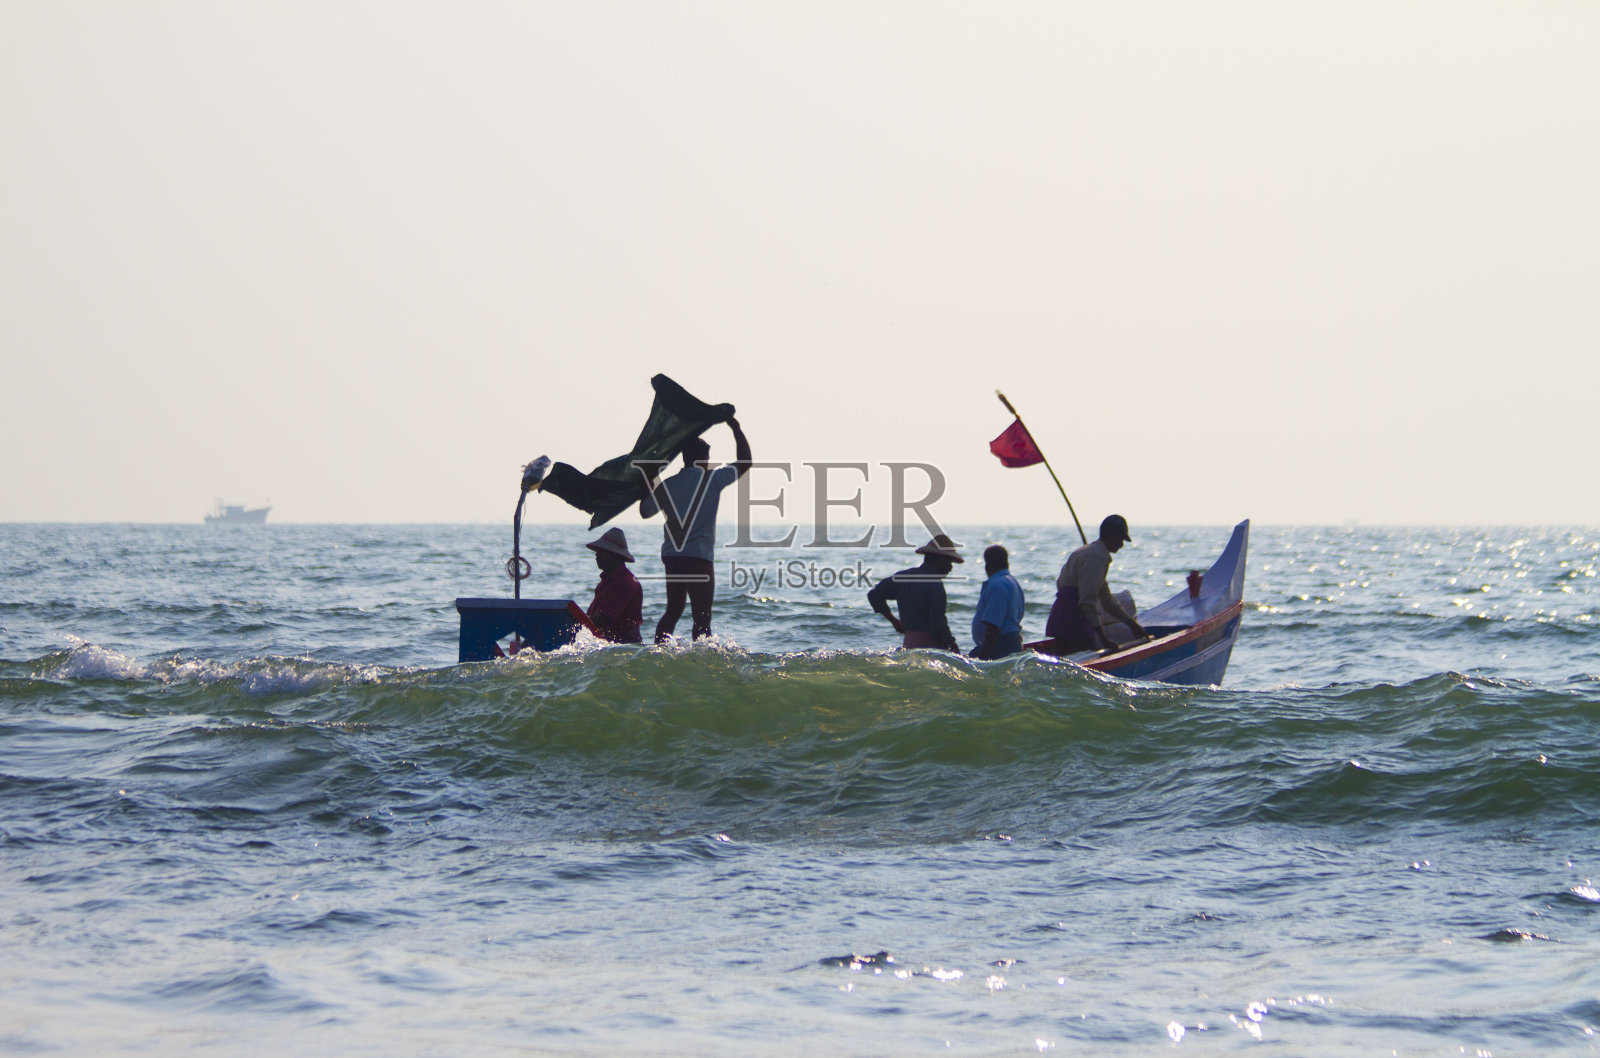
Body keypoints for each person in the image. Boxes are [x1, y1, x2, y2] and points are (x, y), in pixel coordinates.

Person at [638, 416, 751, 642]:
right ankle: (700, 662)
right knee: (702, 617)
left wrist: (649, 478)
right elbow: (745, 462)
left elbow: (645, 511)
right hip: (697, 557)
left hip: (672, 557)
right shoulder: (713, 479)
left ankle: (659, 651)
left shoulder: (668, 484)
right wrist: (736, 429)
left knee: (673, 612)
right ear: (703, 458)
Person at [1045, 514, 1147, 653]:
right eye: (1120, 538)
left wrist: (1131, 624)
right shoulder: (1096, 557)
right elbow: (1087, 601)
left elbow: (1106, 598)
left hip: (1062, 617)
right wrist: (1103, 639)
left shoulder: (1088, 551)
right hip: (1073, 622)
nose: (1121, 545)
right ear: (1111, 535)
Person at [866, 534, 963, 651]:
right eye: (949, 562)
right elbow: (937, 626)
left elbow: (874, 594)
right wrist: (954, 649)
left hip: (908, 646)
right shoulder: (935, 585)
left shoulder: (903, 577)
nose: (950, 567)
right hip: (931, 649)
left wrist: (894, 621)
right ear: (938, 559)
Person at [585, 527, 643, 644]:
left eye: (602, 552)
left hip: (625, 646)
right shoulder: (606, 582)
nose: (596, 555)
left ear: (615, 556)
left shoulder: (626, 583)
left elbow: (603, 619)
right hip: (611, 644)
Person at [971, 544, 1026, 659]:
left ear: (988, 565)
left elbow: (993, 626)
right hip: (1012, 641)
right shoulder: (1012, 582)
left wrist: (983, 656)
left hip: (1001, 644)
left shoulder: (996, 585)